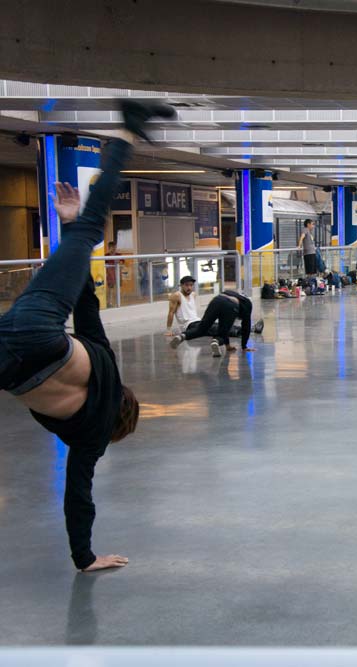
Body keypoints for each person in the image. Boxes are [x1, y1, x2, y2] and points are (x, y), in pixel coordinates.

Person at [0, 100, 175, 572]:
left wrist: (74, 229)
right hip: (10, 368)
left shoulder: (110, 378)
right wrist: (85, 558)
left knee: (87, 230)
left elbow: (87, 310)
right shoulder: (87, 440)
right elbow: (77, 494)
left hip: (40, 329)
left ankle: (128, 129)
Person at [165, 276, 263, 339]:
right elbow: (171, 313)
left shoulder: (193, 295)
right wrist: (168, 330)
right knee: (214, 329)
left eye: (191, 285)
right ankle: (244, 331)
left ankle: (249, 329)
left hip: (197, 320)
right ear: (181, 285)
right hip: (188, 325)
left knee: (218, 324)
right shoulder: (176, 296)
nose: (189, 288)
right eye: (186, 285)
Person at [171, 290, 256, 357]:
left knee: (202, 328)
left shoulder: (233, 293)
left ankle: (182, 336)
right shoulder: (248, 304)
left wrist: (228, 346)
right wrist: (244, 346)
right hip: (231, 305)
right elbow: (246, 326)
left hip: (216, 301)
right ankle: (216, 342)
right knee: (223, 333)